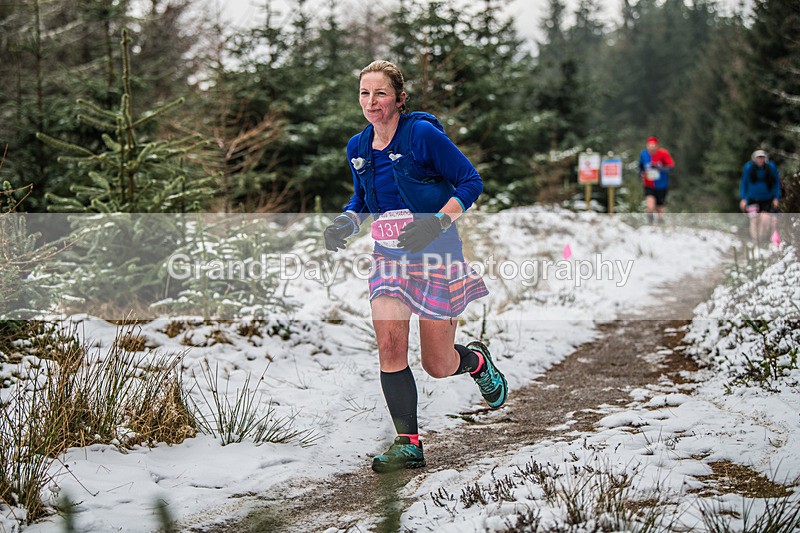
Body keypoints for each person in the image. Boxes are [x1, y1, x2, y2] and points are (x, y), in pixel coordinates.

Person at [323, 60, 508, 473]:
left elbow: (470, 181)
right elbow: (364, 199)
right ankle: (408, 443)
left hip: (436, 250)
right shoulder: (357, 146)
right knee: (389, 344)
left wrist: (435, 224)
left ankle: (476, 362)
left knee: (437, 365)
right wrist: (347, 222)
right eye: (364, 93)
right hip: (389, 256)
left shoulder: (421, 135)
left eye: (381, 93)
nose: (371, 102)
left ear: (400, 99)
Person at [739, 149, 781, 244]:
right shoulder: (749, 168)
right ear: (754, 158)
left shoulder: (771, 168)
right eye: (758, 157)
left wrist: (776, 197)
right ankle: (755, 240)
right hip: (752, 199)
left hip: (767, 199)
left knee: (765, 219)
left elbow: (776, 183)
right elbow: (744, 182)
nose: (760, 160)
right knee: (754, 220)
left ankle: (762, 239)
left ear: (765, 158)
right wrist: (744, 198)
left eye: (762, 157)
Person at [638, 136, 675, 224]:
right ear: (647, 146)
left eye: (653, 146)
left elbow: (671, 167)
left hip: (661, 184)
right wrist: (640, 174)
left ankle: (660, 223)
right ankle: (650, 224)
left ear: (657, 146)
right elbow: (640, 167)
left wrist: (659, 168)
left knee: (659, 207)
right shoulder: (644, 154)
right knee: (650, 206)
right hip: (649, 184)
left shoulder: (663, 154)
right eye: (649, 146)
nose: (651, 148)